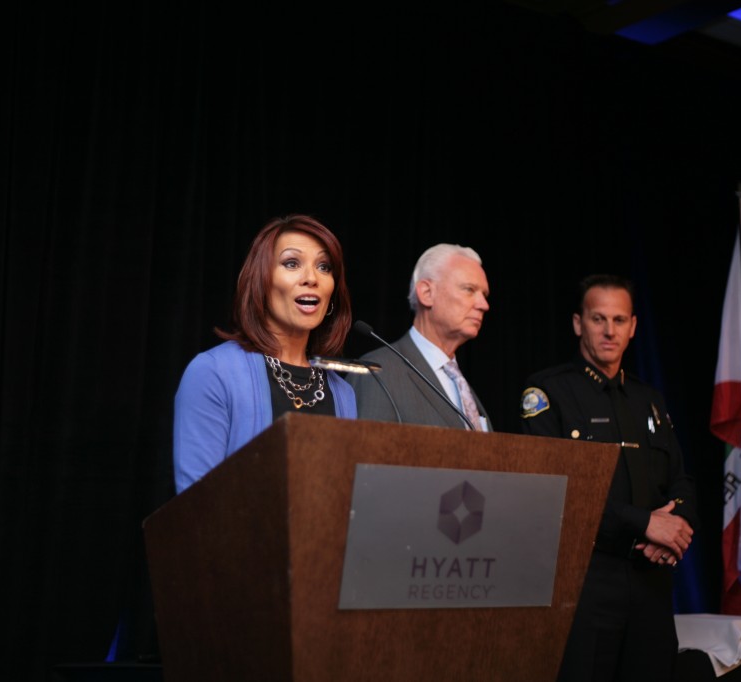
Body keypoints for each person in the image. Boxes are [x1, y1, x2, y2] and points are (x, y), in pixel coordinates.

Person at [519, 274, 697, 682]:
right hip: (587, 582)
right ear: (578, 323)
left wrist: (679, 527)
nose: (609, 330)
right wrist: (647, 524)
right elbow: (554, 489)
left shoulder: (648, 399)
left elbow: (680, 479)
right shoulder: (549, 392)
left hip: (651, 581)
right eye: (599, 319)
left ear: (633, 327)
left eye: (619, 320)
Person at [172, 214, 357, 494]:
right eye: (291, 263)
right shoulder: (213, 373)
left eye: (324, 266)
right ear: (261, 280)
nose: (312, 278)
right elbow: (197, 511)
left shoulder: (343, 393)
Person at [346, 243, 492, 431]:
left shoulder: (459, 382)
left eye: (485, 294)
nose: (483, 304)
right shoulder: (376, 373)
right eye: (469, 289)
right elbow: (367, 458)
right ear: (426, 293)